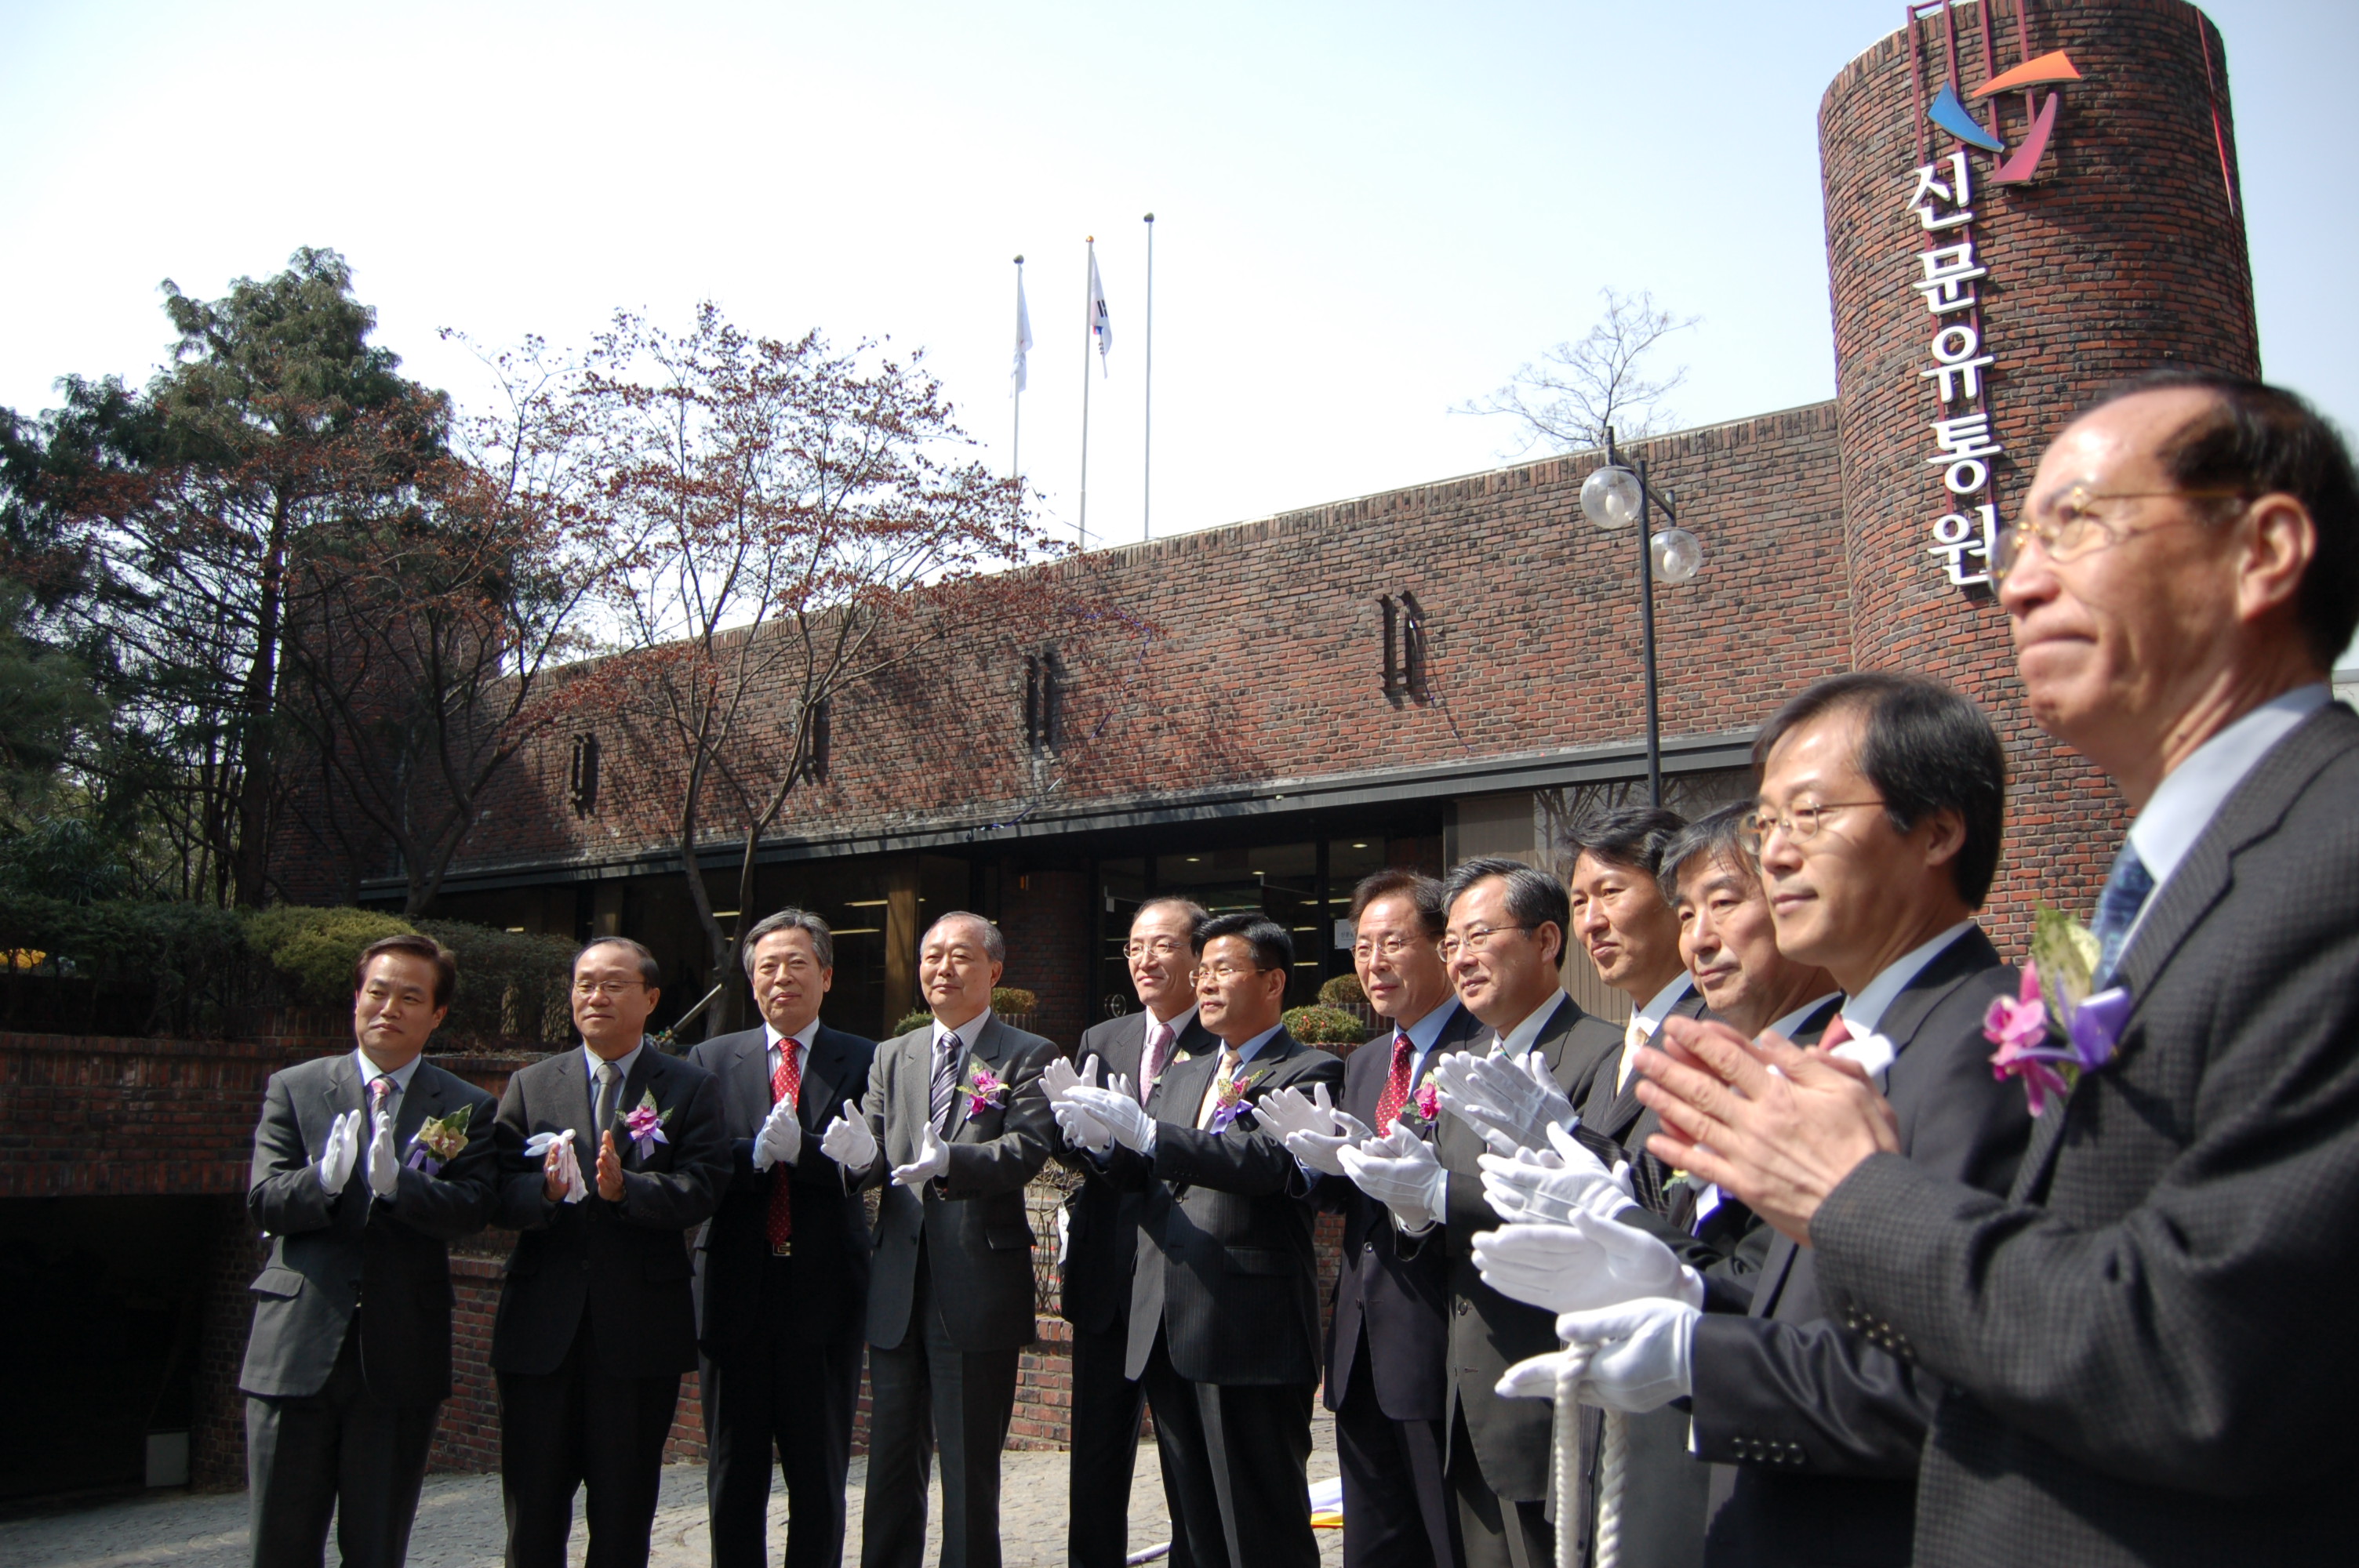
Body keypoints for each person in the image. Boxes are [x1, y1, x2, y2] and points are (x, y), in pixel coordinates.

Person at [1634, 372, 2359, 1566]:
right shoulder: (2140, 903)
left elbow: (2204, 1358)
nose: (2020, 581)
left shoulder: (2325, 863)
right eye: (2020, 538)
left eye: (2077, 524)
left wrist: (1854, 1197)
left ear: (2265, 548)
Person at [1499, 675, 2034, 1568]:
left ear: (1937, 830)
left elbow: (1954, 1376)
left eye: (1809, 815)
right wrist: (1687, 1291)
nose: (1778, 853)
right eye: (1768, 826)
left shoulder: (1988, 1039)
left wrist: (1698, 1346)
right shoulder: (1863, 1032)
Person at [1056, 913, 1345, 1568]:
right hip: (1166, 1323)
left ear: (1273, 983)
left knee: (1261, 1521)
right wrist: (1103, 1142)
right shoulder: (1185, 1075)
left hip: (1250, 1327)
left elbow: (1268, 1164)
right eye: (1202, 971)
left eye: (1222, 970)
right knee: (1195, 1523)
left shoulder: (1307, 1068)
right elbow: (1143, 1174)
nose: (1204, 983)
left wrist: (1153, 1137)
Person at [1386, 856, 1621, 1568]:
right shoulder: (1464, 1063)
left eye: (1479, 936)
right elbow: (1443, 1200)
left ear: (1547, 941)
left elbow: (1591, 1207)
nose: (1460, 959)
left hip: (1555, 1390)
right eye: (1450, 942)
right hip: (1469, 1388)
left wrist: (1437, 1196)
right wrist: (1410, 1208)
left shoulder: (1599, 1055)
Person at [240, 934, 497, 1568]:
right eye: (377, 992)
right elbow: (264, 1199)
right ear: (356, 999)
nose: (389, 1008)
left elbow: (472, 1211)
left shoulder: (466, 1107)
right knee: (280, 1543)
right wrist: (322, 1181)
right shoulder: (295, 1088)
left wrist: (398, 1186)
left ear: (436, 1014)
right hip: (295, 1348)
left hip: (398, 1352)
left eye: (411, 997)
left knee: (376, 1544)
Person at [818, 912, 1056, 1568]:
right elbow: (871, 1148)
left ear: (994, 971)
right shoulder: (893, 1055)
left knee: (967, 1469)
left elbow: (1028, 1149)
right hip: (898, 1283)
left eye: (960, 956)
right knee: (890, 1462)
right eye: (931, 957)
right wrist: (854, 1156)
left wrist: (953, 1161)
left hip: (976, 1283)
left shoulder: (1028, 1054)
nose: (942, 969)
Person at [492, 936, 731, 1568]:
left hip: (637, 1334)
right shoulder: (530, 1085)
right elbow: (494, 1193)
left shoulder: (688, 1087)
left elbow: (703, 1187)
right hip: (541, 1332)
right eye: (584, 984)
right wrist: (543, 1192)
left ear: (650, 998)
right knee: (533, 1514)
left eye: (613, 984)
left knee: (623, 1516)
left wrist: (629, 1191)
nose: (594, 996)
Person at [1281, 869, 1479, 1568]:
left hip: (1443, 1340)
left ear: (1443, 948)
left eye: (1393, 943)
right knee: (1374, 1546)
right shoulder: (1366, 1061)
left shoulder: (1482, 1051)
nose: (1374, 964)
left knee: (1447, 1538)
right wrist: (1317, 1170)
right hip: (1361, 1345)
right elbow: (1360, 1197)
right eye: (1362, 947)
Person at [690, 909, 878, 1568]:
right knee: (733, 1471)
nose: (782, 978)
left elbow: (871, 1161)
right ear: (751, 982)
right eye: (768, 966)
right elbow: (699, 1163)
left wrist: (810, 1158)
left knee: (819, 1473)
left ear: (826, 976)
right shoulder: (711, 1060)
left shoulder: (864, 1059)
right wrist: (754, 1156)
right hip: (734, 1290)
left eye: (798, 964)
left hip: (823, 1291)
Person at [1052, 896, 1214, 1568]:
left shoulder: (1219, 1042)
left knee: (1188, 1468)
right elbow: (1080, 1149)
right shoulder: (1104, 1038)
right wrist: (1080, 1141)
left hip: (1181, 1283)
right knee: (1094, 1462)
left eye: (1163, 945)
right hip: (1107, 1280)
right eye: (1134, 947)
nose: (1145, 959)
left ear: (1200, 956)